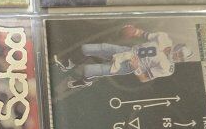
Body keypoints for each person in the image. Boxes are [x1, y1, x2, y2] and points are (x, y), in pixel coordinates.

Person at [61, 23, 192, 89]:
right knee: (86, 48)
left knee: (88, 70)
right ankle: (70, 64)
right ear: (177, 47)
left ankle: (85, 82)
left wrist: (136, 68)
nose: (178, 58)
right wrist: (133, 30)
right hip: (127, 51)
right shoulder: (163, 37)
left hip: (128, 65)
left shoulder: (167, 68)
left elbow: (144, 79)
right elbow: (141, 33)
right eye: (180, 54)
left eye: (181, 59)